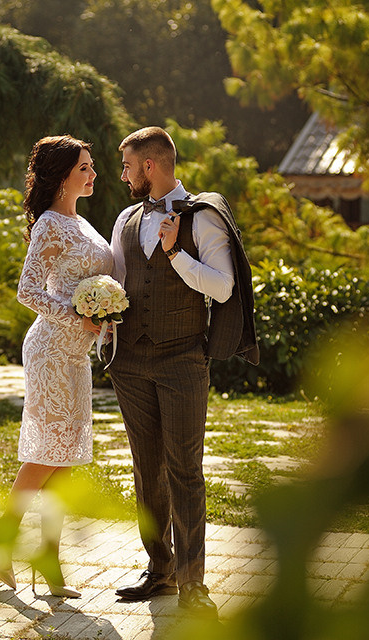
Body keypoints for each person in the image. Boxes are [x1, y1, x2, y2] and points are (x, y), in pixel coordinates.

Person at [107, 126, 258, 617]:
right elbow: (119, 284)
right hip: (130, 362)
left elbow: (221, 288)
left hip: (182, 362)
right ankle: (161, 570)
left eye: (128, 165)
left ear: (150, 166)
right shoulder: (126, 219)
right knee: (146, 471)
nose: (123, 174)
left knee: (185, 471)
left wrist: (177, 254)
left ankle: (194, 583)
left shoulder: (202, 218)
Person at [0, 134, 112, 598]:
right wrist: (77, 313)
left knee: (65, 462)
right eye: (84, 168)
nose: (93, 174)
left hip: (75, 353)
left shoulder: (83, 223)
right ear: (63, 176)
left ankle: (49, 561)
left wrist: (100, 319)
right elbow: (28, 291)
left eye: (92, 166)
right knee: (44, 456)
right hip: (49, 350)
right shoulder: (48, 226)